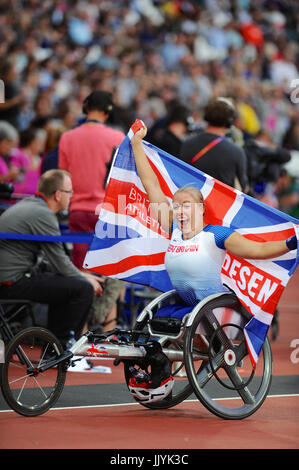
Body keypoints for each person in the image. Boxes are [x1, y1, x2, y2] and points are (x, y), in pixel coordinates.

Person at [131, 121, 297, 310]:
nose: (180, 211)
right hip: (185, 309)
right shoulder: (173, 227)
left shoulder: (217, 235)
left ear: (201, 209)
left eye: (186, 205)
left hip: (214, 313)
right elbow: (150, 183)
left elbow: (258, 250)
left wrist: (290, 243)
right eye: (176, 206)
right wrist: (137, 144)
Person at [0, 169, 103, 348]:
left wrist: (80, 274)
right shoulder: (43, 214)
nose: (71, 196)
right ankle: (62, 348)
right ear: (57, 195)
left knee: (66, 285)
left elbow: (56, 264)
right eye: (69, 191)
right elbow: (60, 263)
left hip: (12, 277)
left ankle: (53, 348)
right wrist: (84, 278)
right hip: (11, 282)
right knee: (83, 289)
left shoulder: (31, 205)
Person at [58, 90, 125, 330]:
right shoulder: (117, 136)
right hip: (107, 212)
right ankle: (108, 336)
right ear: (107, 111)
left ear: (86, 108)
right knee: (111, 274)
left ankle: (81, 334)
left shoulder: (67, 137)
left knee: (80, 273)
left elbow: (62, 177)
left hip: (77, 211)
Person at [180, 97, 248, 192]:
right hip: (220, 204)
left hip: (193, 201)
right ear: (229, 121)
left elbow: (180, 175)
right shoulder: (236, 151)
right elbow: (244, 188)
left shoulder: (188, 143)